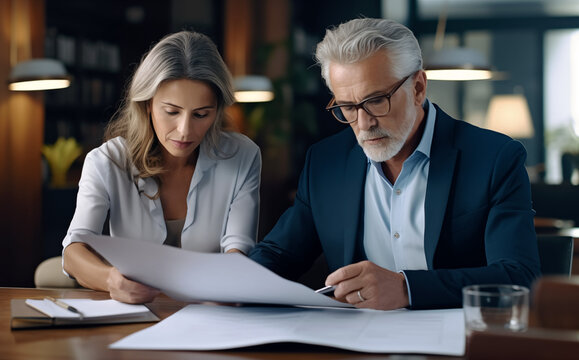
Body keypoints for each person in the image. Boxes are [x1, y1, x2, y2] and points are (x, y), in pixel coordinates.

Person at [249, 18, 541, 310]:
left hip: (458, 342)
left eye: (376, 101)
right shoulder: (325, 162)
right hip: (355, 344)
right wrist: (232, 286)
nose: (364, 123)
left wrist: (407, 288)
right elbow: (279, 254)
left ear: (417, 88)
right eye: (348, 107)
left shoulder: (495, 157)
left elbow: (519, 277)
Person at [62, 31, 261, 304]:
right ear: (147, 105)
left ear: (217, 111)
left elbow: (238, 249)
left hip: (211, 314)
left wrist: (228, 282)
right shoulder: (107, 161)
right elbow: (74, 251)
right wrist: (112, 280)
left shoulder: (242, 156)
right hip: (133, 314)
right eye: (172, 111)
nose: (185, 130)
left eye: (202, 114)